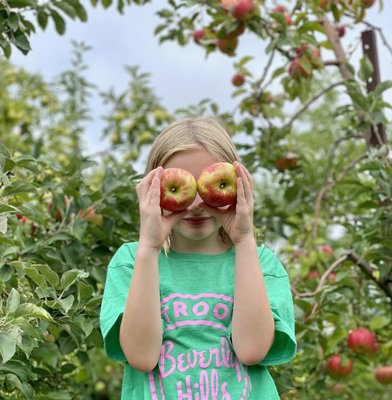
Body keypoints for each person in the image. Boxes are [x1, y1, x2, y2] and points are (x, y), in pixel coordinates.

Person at [99, 118, 297, 399]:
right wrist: (149, 246)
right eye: (182, 186)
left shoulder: (260, 263)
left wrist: (244, 239)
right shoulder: (133, 261)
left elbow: (252, 350)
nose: (194, 203)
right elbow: (142, 356)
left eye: (207, 186)